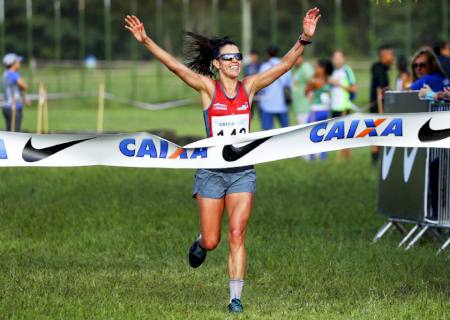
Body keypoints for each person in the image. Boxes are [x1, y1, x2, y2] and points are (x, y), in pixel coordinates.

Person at [125, 8, 321, 313]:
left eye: (238, 56)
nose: (235, 61)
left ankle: (235, 298)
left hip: (242, 172)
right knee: (214, 240)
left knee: (237, 233)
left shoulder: (250, 87)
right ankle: (201, 241)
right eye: (229, 58)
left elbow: (284, 65)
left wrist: (304, 39)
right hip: (211, 173)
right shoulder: (208, 88)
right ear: (216, 64)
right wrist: (146, 40)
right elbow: (176, 67)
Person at [329, 50, 356, 160]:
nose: (336, 60)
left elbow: (353, 88)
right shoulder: (332, 72)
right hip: (334, 107)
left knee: (344, 136)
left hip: (344, 107)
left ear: (343, 59)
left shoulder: (347, 70)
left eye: (338, 58)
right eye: (334, 58)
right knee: (335, 135)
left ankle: (346, 160)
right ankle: (338, 161)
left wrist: (339, 84)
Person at [369, 45, 394, 165]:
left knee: (379, 135)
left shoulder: (382, 68)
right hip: (378, 107)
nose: (392, 57)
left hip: (381, 106)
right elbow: (381, 89)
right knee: (377, 135)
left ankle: (379, 162)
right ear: (383, 55)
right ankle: (376, 162)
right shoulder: (379, 68)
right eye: (390, 54)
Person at [258, 45, 292, 130]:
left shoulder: (264, 67)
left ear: (267, 54)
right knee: (286, 132)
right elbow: (289, 85)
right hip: (282, 103)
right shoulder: (285, 66)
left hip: (267, 103)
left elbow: (260, 85)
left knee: (266, 134)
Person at [305, 58, 333, 160]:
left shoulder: (316, 80)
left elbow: (306, 90)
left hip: (316, 110)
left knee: (310, 132)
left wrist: (310, 83)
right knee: (323, 133)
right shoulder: (329, 79)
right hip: (325, 110)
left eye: (317, 67)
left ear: (322, 69)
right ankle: (323, 157)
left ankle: (312, 157)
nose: (315, 69)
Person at [2, 53, 29, 132]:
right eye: (18, 62)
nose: (19, 63)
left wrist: (24, 98)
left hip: (6, 107)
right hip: (14, 107)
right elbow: (24, 86)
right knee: (15, 132)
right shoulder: (13, 74)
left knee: (9, 131)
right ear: (12, 63)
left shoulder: (5, 74)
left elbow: (17, 88)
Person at [292, 55, 314, 125]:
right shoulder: (295, 69)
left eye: (297, 57)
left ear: (302, 57)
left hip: (305, 105)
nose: (295, 60)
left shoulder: (305, 67)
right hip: (298, 105)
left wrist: (310, 94)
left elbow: (312, 81)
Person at [244, 49, 261, 119]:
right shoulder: (248, 66)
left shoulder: (260, 65)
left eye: (255, 56)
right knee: (250, 107)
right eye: (252, 56)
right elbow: (245, 76)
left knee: (260, 107)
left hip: (259, 89)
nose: (254, 57)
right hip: (250, 88)